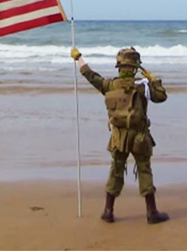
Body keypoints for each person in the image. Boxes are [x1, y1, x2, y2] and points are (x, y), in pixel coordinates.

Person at [70, 46, 170, 224]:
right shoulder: (142, 87)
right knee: (144, 171)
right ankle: (151, 213)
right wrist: (153, 79)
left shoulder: (109, 85)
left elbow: (90, 75)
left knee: (116, 171)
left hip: (118, 138)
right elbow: (161, 97)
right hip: (139, 137)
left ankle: (108, 211)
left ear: (119, 66)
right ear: (135, 68)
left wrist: (79, 59)